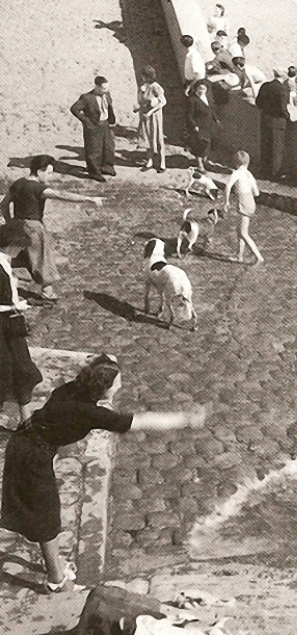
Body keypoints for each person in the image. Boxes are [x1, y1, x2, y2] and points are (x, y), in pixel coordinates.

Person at [0, 354, 205, 592]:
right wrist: (186, 419)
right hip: (31, 457)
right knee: (46, 516)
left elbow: (58, 417)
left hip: (27, 444)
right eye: (117, 383)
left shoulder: (72, 389)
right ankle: (56, 580)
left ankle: (54, 568)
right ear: (103, 387)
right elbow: (140, 422)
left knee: (42, 510)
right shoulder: (90, 413)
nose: (120, 386)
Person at [0, 155, 103, 301]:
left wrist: (10, 222)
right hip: (34, 228)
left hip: (17, 226)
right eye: (48, 172)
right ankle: (47, 292)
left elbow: (3, 205)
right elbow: (61, 195)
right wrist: (89, 199)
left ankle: (9, 285)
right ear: (39, 171)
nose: (50, 176)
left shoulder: (18, 184)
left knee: (19, 258)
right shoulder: (38, 188)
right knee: (42, 259)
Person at [0, 221, 42, 428]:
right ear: (9, 244)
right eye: (19, 245)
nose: (21, 249)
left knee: (22, 368)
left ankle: (26, 419)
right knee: (5, 370)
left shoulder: (6, 262)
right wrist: (13, 308)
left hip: (12, 323)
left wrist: (17, 304)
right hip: (4, 324)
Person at [69, 75, 117, 182]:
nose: (106, 90)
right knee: (94, 150)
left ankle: (106, 167)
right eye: (103, 88)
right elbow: (74, 109)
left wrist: (110, 119)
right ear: (97, 87)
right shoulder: (86, 97)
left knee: (108, 147)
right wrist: (86, 121)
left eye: (107, 88)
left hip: (105, 124)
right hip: (93, 126)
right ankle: (94, 172)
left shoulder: (107, 94)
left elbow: (109, 106)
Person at [224, 150, 264, 265]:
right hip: (251, 202)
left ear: (235, 163)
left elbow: (227, 187)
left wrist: (226, 202)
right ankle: (239, 255)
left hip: (244, 203)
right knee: (240, 230)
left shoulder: (236, 173)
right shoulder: (249, 174)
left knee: (243, 233)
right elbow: (256, 193)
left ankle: (258, 256)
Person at [255, 69, 291, 179]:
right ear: (284, 76)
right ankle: (274, 174)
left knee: (265, 146)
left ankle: (264, 171)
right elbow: (283, 108)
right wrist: (287, 117)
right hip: (278, 122)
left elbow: (258, 102)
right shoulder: (283, 89)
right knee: (276, 148)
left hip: (265, 119)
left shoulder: (265, 86)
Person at [134, 65, 166, 172]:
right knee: (147, 138)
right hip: (145, 116)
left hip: (154, 116)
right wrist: (138, 109)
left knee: (158, 138)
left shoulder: (155, 87)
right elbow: (143, 103)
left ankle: (162, 163)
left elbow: (163, 102)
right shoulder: (143, 87)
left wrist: (151, 112)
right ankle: (149, 161)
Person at [186, 81, 219, 172]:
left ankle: (205, 161)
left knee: (207, 145)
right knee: (199, 145)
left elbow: (211, 110)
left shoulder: (207, 98)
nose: (202, 91)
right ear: (196, 89)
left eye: (204, 89)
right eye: (200, 88)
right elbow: (189, 115)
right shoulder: (192, 100)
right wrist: (194, 125)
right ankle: (200, 165)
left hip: (208, 125)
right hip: (199, 126)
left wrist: (216, 119)